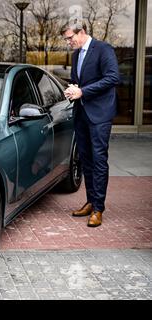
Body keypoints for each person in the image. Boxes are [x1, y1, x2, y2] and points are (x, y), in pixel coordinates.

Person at [61, 21, 120, 227]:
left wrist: (83, 91)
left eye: (70, 38)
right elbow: (80, 80)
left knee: (98, 160)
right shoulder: (77, 54)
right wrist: (72, 88)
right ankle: (90, 201)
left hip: (100, 114)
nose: (68, 42)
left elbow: (113, 77)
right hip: (82, 113)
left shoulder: (103, 49)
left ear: (82, 32)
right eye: (66, 39)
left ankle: (98, 208)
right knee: (85, 160)